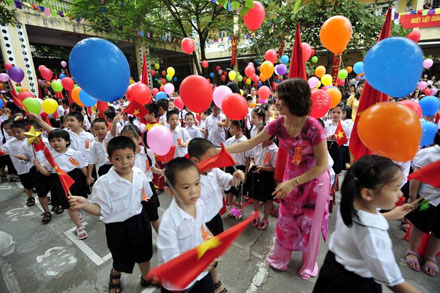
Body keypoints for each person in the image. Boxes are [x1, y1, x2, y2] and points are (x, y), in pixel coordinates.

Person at [225, 78, 330, 279]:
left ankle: (308, 265)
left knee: (310, 224)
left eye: (280, 98)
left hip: (314, 182)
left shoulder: (314, 128)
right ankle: (281, 258)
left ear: (293, 101)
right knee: (286, 220)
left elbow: (322, 165)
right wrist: (221, 150)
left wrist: (293, 182)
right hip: (290, 180)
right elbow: (250, 144)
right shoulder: (278, 124)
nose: (276, 102)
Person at [313, 155, 419, 293]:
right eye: (395, 189)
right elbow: (393, 281)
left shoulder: (351, 202)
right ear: (368, 193)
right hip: (354, 285)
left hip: (333, 268)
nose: (400, 195)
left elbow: (362, 223)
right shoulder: (374, 234)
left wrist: (392, 215)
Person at [69, 136, 154, 293]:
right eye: (118, 158)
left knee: (144, 252)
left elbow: (145, 196)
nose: (125, 162)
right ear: (109, 159)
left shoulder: (139, 173)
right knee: (121, 256)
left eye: (129, 157)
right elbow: (100, 209)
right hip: (117, 227)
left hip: (139, 220)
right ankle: (115, 273)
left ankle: (146, 276)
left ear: (135, 154)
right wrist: (86, 205)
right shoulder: (104, 183)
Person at [157, 157, 216, 293]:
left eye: (197, 183)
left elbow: (203, 229)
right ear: (170, 191)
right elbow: (172, 262)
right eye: (186, 187)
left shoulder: (199, 204)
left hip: (201, 275)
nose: (194, 191)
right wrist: (200, 264)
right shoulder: (169, 223)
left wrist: (213, 243)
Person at [34, 129, 89, 238]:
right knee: (71, 206)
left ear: (67, 141)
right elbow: (48, 173)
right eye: (53, 141)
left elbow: (81, 166)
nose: (56, 143)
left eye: (59, 140)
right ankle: (79, 226)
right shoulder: (49, 157)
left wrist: (88, 178)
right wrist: (39, 166)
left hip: (75, 179)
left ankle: (77, 214)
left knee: (77, 201)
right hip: (60, 182)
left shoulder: (74, 153)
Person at [406, 130, 440, 276]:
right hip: (427, 198)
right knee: (420, 224)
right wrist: (413, 197)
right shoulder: (430, 153)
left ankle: (431, 256)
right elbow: (417, 176)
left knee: (439, 230)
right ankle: (412, 250)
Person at [247, 125, 278, 230]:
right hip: (256, 171)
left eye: (261, 134)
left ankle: (265, 218)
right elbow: (252, 158)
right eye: (258, 133)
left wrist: (262, 167)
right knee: (255, 197)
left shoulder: (274, 149)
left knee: (268, 199)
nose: (258, 136)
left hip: (267, 176)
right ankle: (256, 215)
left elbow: (274, 168)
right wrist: (252, 163)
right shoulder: (257, 145)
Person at [3, 119, 35, 206]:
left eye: (19, 132)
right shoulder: (9, 144)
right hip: (21, 169)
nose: (16, 134)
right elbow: (2, 150)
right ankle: (30, 197)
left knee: (37, 183)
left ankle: (42, 195)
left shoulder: (33, 139)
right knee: (26, 185)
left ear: (25, 130)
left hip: (34, 167)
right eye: (14, 132)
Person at [224, 120, 248, 220]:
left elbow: (247, 160)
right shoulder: (229, 141)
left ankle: (239, 211)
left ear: (239, 129)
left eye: (232, 128)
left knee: (240, 191)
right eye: (230, 127)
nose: (230, 130)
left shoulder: (245, 142)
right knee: (230, 190)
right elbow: (226, 156)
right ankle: (231, 209)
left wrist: (245, 174)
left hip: (240, 169)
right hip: (230, 167)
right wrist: (225, 169)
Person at [324, 103, 350, 175]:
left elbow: (347, 138)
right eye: (333, 112)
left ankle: (336, 180)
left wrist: (339, 138)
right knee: (328, 164)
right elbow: (322, 136)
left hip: (339, 146)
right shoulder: (326, 124)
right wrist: (329, 137)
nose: (335, 114)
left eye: (338, 112)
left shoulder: (345, 125)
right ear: (330, 113)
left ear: (343, 114)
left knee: (337, 165)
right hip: (328, 145)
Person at [88, 118, 113, 185]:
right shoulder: (93, 144)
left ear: (107, 129)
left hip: (114, 166)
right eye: (96, 129)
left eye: (102, 128)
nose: (100, 131)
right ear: (92, 131)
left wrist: (115, 123)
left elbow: (114, 132)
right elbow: (91, 161)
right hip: (103, 168)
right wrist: (89, 175)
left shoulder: (110, 137)